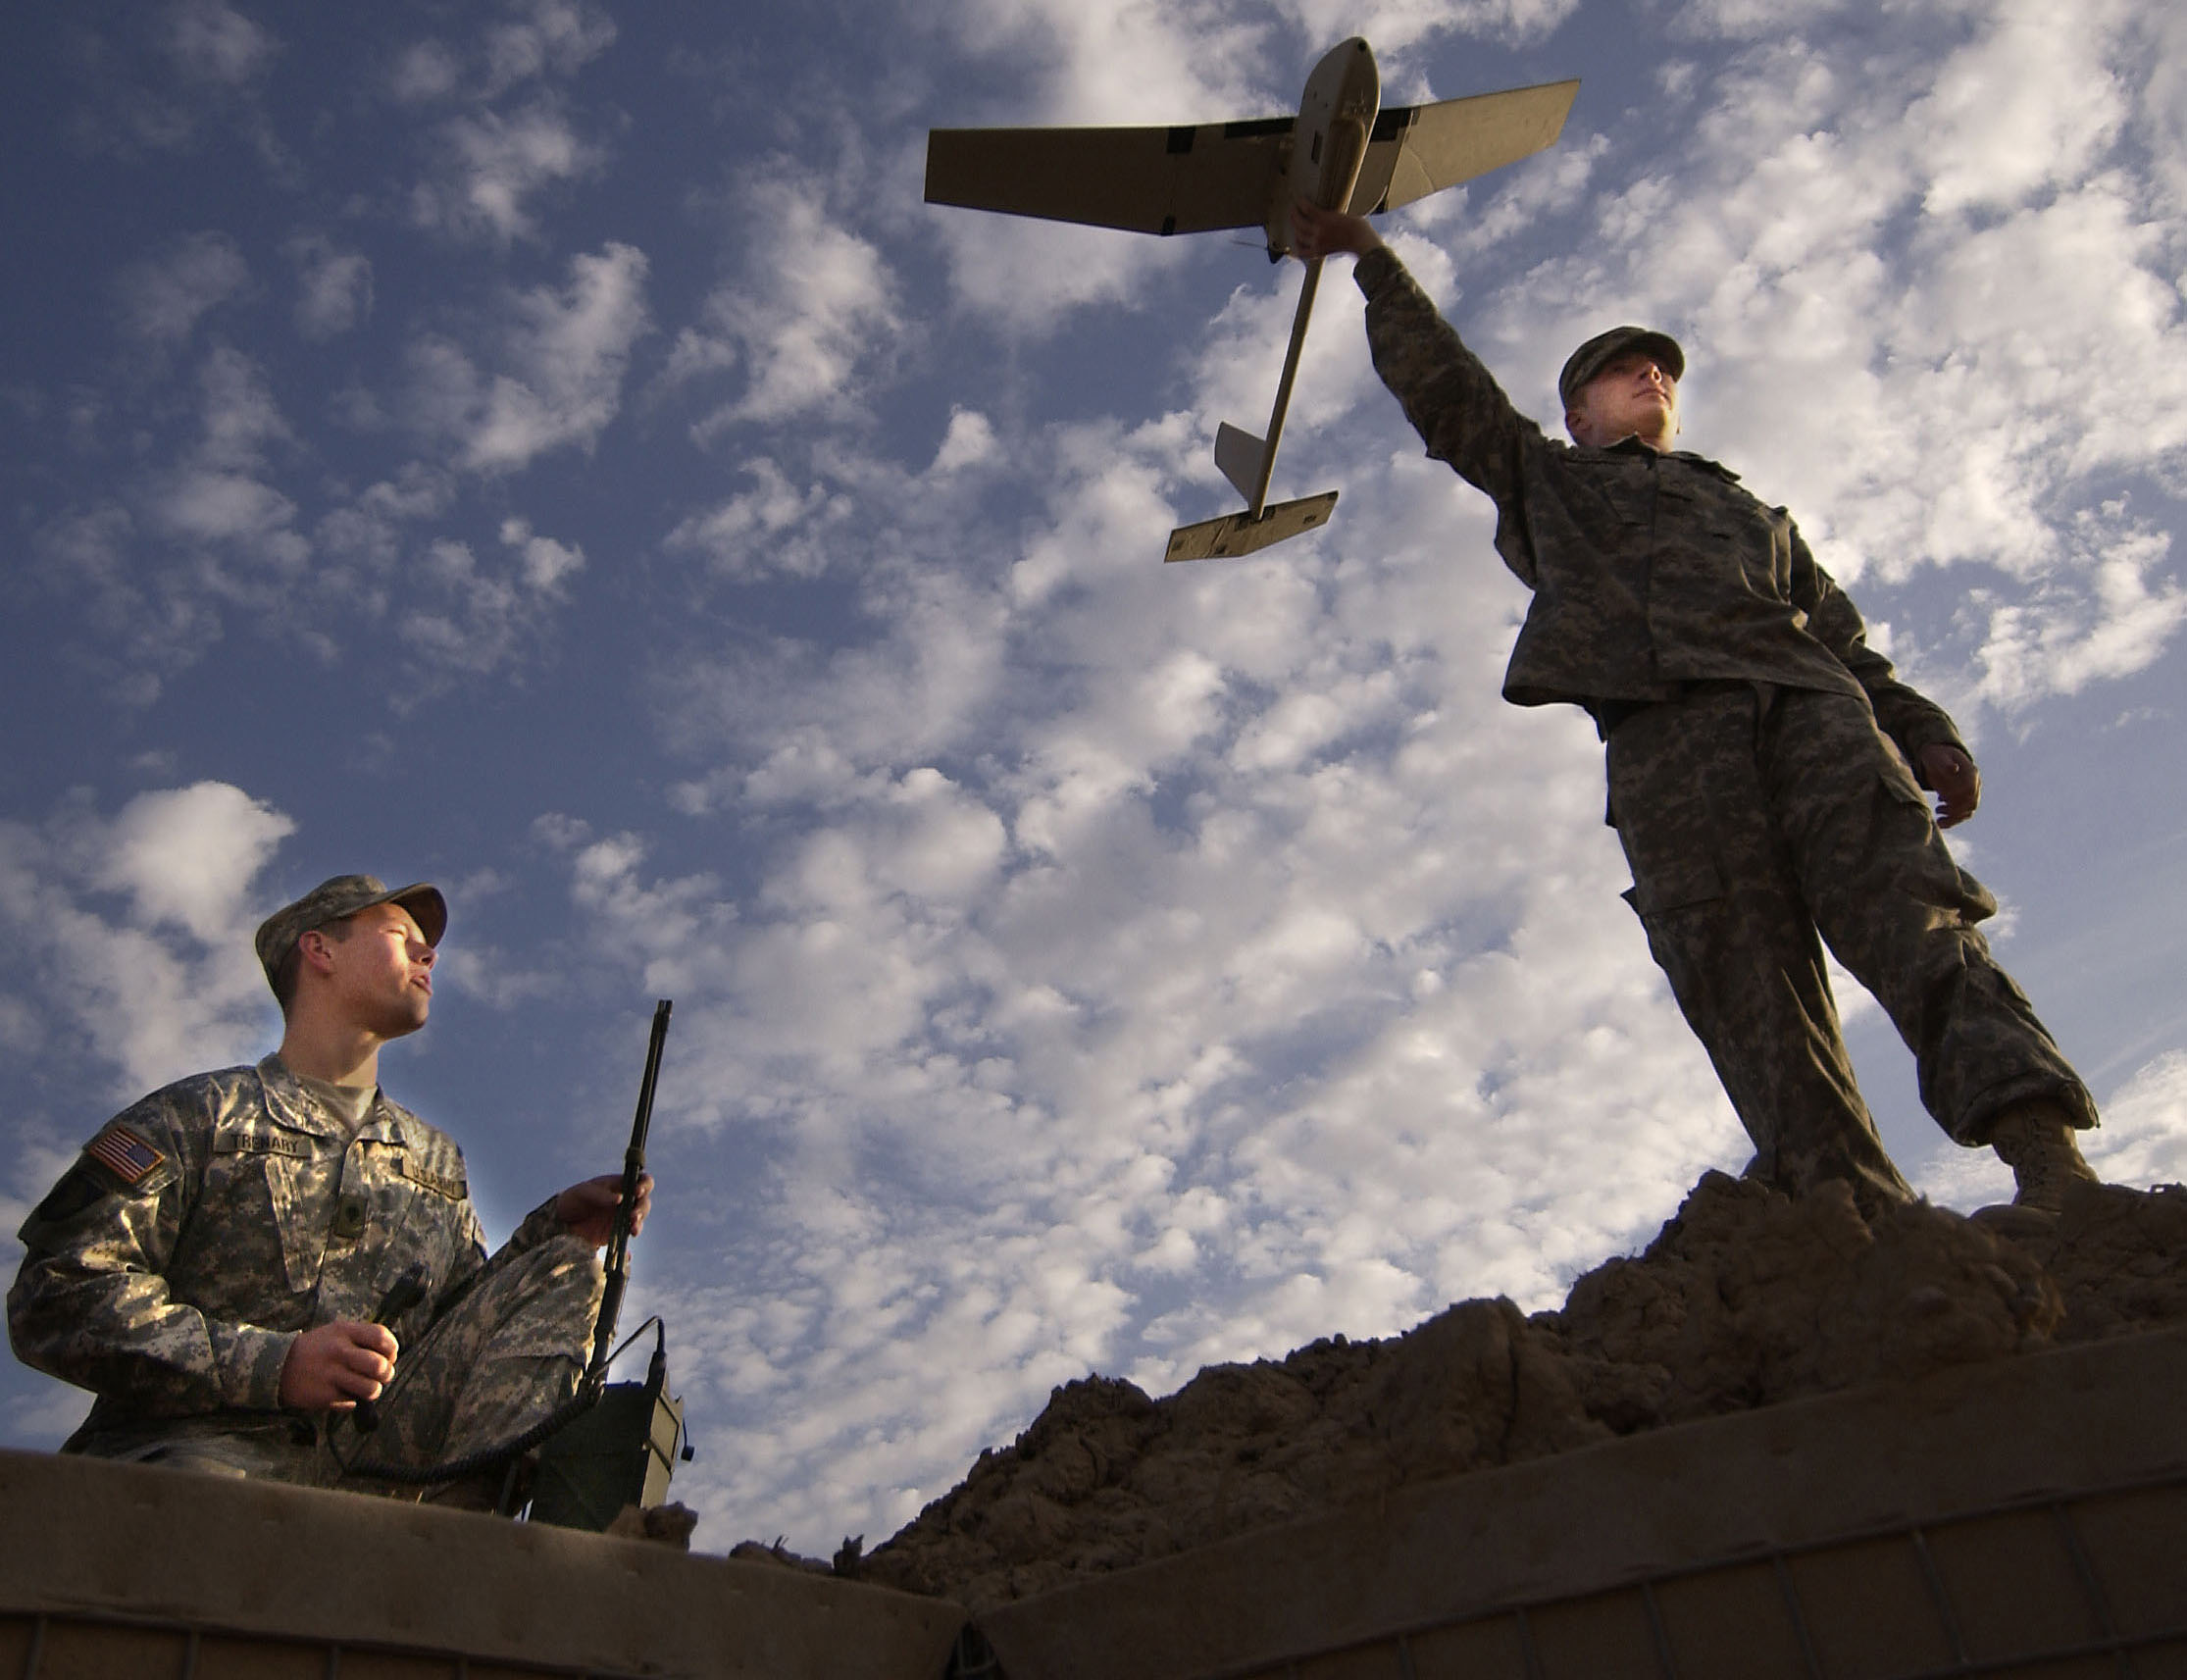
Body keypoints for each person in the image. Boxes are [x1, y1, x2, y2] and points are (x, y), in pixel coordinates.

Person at [1286, 200, 2101, 1221]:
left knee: (1912, 912)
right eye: (1620, 370)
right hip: (1666, 743)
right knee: (1749, 986)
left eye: (1660, 367)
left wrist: (1926, 730)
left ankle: (2045, 1154)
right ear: (1579, 417)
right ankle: (1859, 1225)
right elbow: (1449, 396)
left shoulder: (1753, 515)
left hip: (1811, 711)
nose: (1652, 375)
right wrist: (1371, 262)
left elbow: (1847, 643)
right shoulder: (1550, 483)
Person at [8, 874, 652, 1502]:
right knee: (214, 1512)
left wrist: (551, 1231)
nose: (429, 953)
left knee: (564, 1269)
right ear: (319, 949)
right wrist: (276, 1364)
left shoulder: (433, 1160)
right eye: (401, 933)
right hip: (194, 1462)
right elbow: (57, 1292)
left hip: (379, 1475)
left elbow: (451, 1329)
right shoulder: (199, 1116)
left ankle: (465, 1551)